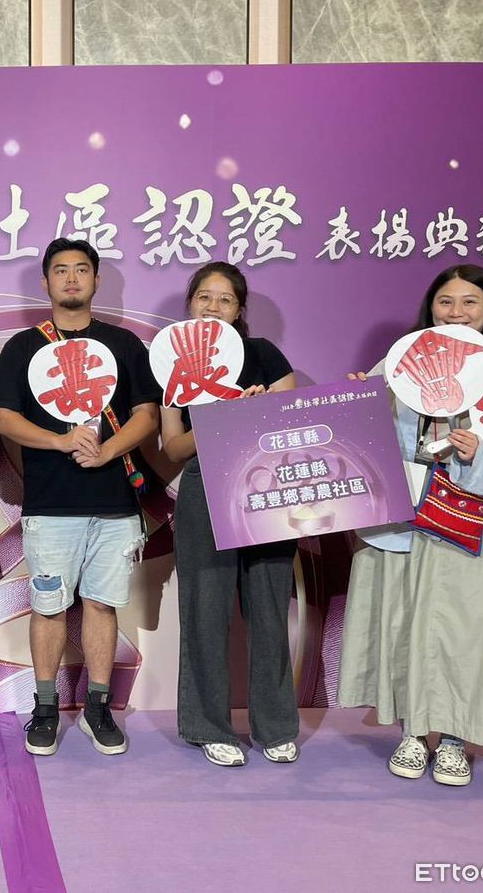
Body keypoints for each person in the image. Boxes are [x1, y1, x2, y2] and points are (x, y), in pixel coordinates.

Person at [338, 265, 483, 787]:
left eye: (470, 302)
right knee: (402, 626)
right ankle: (412, 733)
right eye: (445, 301)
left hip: (469, 527)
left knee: (465, 635)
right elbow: (361, 447)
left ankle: (454, 740)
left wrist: (479, 456)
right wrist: (358, 404)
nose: (456, 312)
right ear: (430, 307)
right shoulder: (399, 364)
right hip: (401, 523)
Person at [0, 238, 160, 756]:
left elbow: (148, 415)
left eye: (81, 269)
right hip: (50, 505)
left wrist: (108, 450)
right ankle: (44, 709)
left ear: (96, 280)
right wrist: (61, 441)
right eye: (61, 270)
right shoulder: (23, 347)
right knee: (47, 608)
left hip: (114, 505)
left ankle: (97, 708)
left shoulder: (124, 344)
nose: (71, 278)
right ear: (46, 281)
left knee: (102, 606)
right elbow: (5, 419)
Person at [160, 263, 301, 768]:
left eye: (225, 299)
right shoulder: (174, 363)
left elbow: (294, 421)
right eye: (204, 296)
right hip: (204, 484)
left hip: (267, 484)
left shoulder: (263, 354)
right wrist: (220, 419)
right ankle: (208, 727)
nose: (213, 306)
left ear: (240, 309)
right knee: (205, 610)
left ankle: (276, 727)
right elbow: (173, 447)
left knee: (269, 609)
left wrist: (256, 413)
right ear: (190, 303)